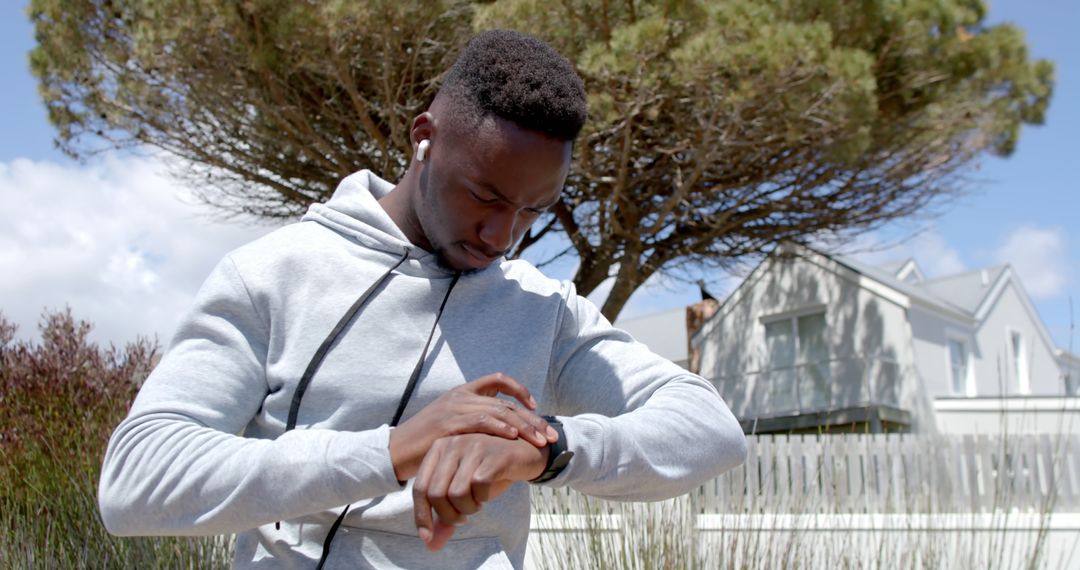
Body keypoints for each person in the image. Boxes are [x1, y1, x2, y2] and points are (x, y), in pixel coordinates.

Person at [98, 29, 747, 569]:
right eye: (487, 197)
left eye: (532, 210)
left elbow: (709, 429)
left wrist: (544, 448)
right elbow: (138, 480)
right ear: (424, 138)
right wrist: (389, 450)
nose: (504, 235)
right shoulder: (274, 273)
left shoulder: (542, 309)